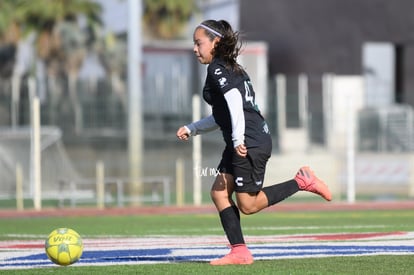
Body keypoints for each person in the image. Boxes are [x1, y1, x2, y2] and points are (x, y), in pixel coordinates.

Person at [176, 19, 332, 266]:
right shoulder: (231, 68)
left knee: (248, 204)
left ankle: (302, 181)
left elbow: (236, 103)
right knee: (219, 193)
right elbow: (223, 115)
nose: (195, 48)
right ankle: (239, 252)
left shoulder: (217, 68)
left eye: (198, 43)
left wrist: (238, 139)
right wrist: (193, 128)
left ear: (215, 43)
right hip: (244, 139)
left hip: (249, 142)